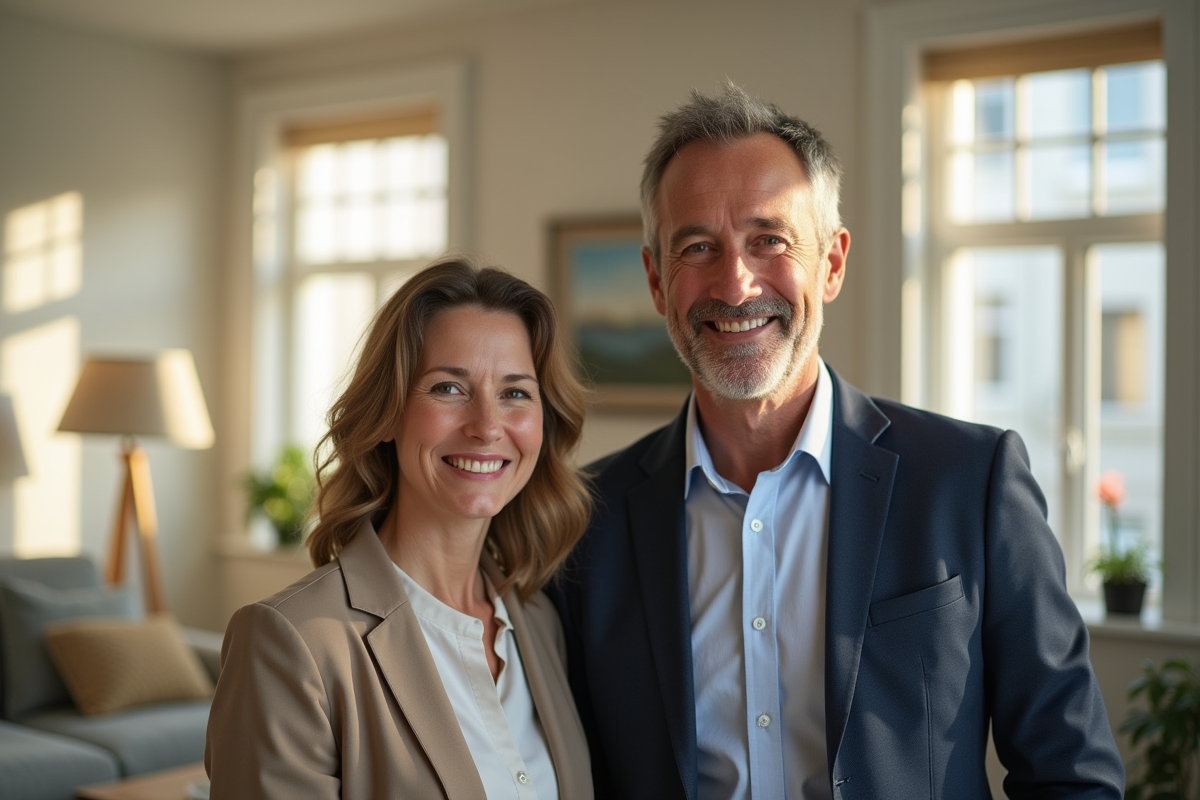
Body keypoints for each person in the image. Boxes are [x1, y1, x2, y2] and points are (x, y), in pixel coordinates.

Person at [550, 83, 1125, 798]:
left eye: (770, 240)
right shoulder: (585, 522)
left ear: (831, 263)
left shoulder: (970, 481)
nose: (735, 283)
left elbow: (1073, 775)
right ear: (656, 281)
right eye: (697, 246)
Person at [207, 259, 594, 800]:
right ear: (387, 414)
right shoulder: (293, 641)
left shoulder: (537, 621)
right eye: (448, 388)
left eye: (515, 393)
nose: (486, 426)